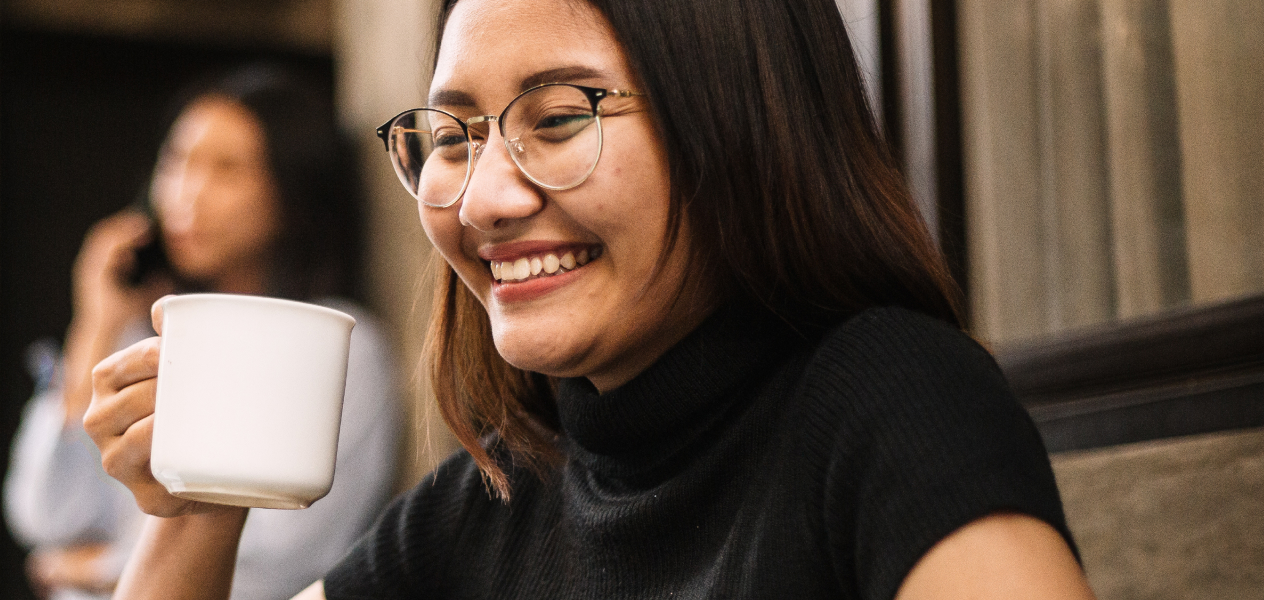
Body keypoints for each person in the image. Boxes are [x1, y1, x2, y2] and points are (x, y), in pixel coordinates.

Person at [81, 0, 1101, 598]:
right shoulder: (493, 499)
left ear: (738, 123)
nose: (482, 200)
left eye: (559, 119)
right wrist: (193, 508)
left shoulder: (890, 401)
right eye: (451, 137)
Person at [2, 65, 402, 600]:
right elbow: (44, 517)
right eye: (177, 161)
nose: (187, 193)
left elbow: (279, 564)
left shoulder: (336, 347)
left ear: (292, 190)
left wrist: (100, 571)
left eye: (227, 169)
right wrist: (93, 328)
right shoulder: (153, 338)